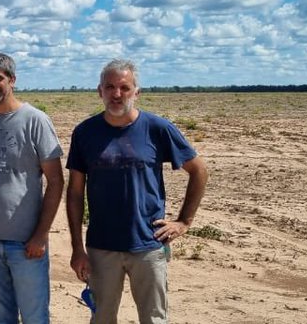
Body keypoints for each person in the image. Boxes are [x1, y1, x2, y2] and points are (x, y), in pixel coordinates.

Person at [66, 59, 209, 324]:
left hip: (148, 244)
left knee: (154, 318)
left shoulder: (157, 128)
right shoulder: (85, 132)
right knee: (101, 318)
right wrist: (77, 246)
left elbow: (199, 170)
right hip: (101, 246)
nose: (117, 94)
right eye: (110, 87)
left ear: (136, 92)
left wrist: (184, 221)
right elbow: (74, 192)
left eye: (124, 87)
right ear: (100, 91)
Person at [0, 53, 65, 324]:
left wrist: (40, 236)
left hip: (26, 242)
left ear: (12, 80)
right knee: (1, 316)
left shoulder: (35, 121)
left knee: (34, 317)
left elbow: (55, 181)